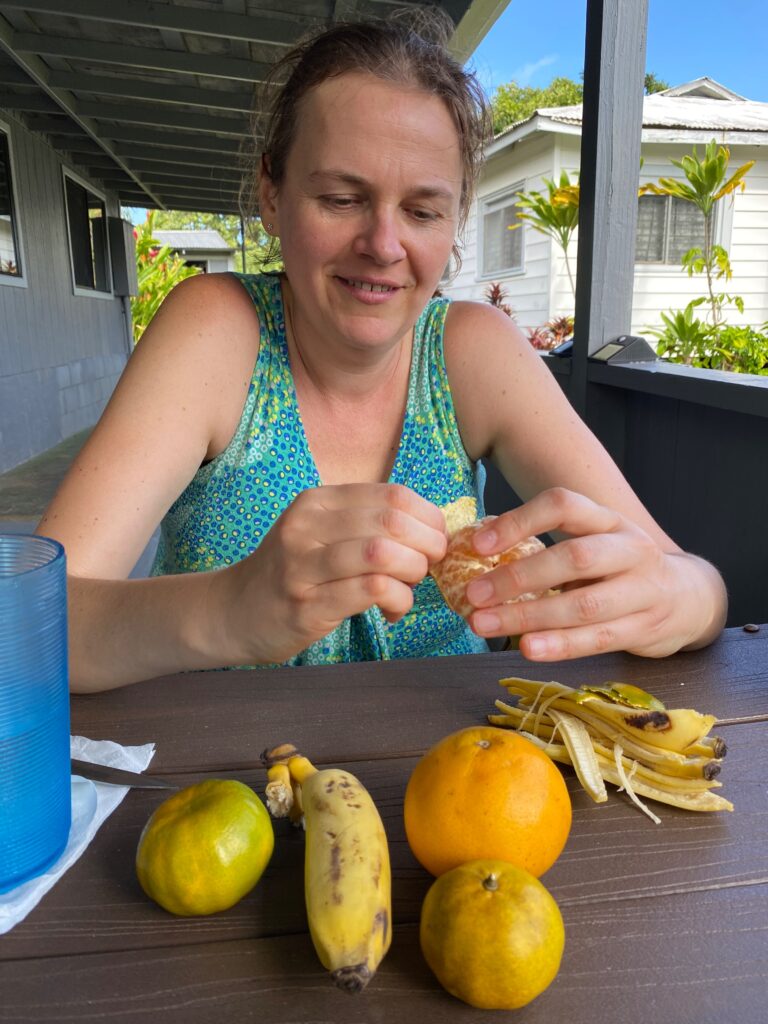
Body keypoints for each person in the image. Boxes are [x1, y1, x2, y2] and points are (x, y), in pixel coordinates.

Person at [38, 15, 727, 692]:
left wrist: (679, 598)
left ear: (455, 222)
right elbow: (33, 626)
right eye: (342, 198)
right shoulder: (219, 329)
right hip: (225, 782)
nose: (384, 245)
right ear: (272, 195)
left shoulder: (471, 349)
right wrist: (227, 608)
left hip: (463, 773)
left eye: (423, 212)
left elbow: (688, 582)